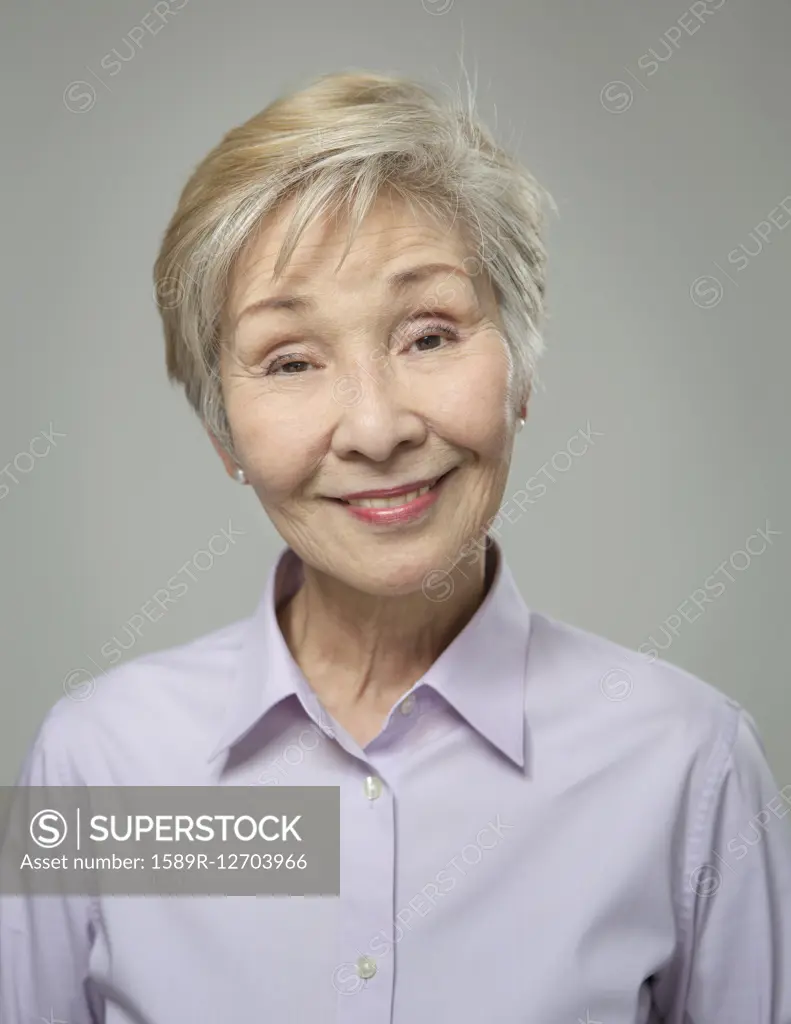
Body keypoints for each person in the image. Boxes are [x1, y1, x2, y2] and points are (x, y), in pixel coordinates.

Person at [1, 69, 790, 1023]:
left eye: (427, 336)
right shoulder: (96, 764)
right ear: (223, 435)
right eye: (291, 361)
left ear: (520, 368)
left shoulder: (690, 763)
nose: (375, 429)